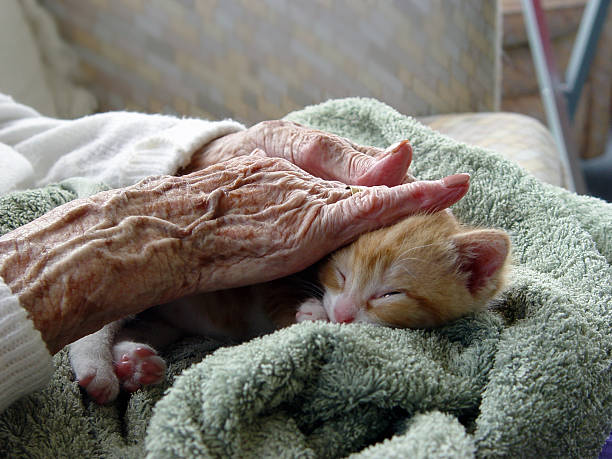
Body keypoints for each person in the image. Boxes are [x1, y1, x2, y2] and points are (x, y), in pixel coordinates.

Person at [0, 93, 469, 411]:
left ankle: (137, 339)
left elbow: (25, 131)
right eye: (344, 282)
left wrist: (200, 150)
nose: (343, 309)